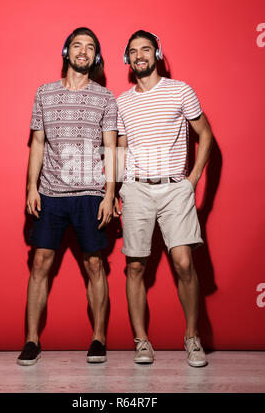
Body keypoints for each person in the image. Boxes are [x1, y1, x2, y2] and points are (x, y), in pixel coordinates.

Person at [17, 27, 117, 366]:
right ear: (67, 52)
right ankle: (31, 340)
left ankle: (99, 339)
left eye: (90, 47)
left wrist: (109, 194)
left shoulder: (105, 97)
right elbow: (38, 144)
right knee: (40, 263)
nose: (83, 52)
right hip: (51, 192)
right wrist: (31, 187)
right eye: (77, 45)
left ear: (96, 57)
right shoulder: (44, 93)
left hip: (90, 192)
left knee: (94, 265)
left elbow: (111, 148)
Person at [114, 30, 213, 367]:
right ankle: (141, 341)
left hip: (174, 188)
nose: (140, 55)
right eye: (133, 51)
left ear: (157, 53)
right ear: (127, 59)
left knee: (184, 262)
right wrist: (114, 189)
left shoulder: (180, 90)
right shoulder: (121, 102)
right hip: (136, 188)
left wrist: (193, 179)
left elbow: (206, 135)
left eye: (146, 49)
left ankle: (192, 337)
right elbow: (120, 148)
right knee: (135, 265)